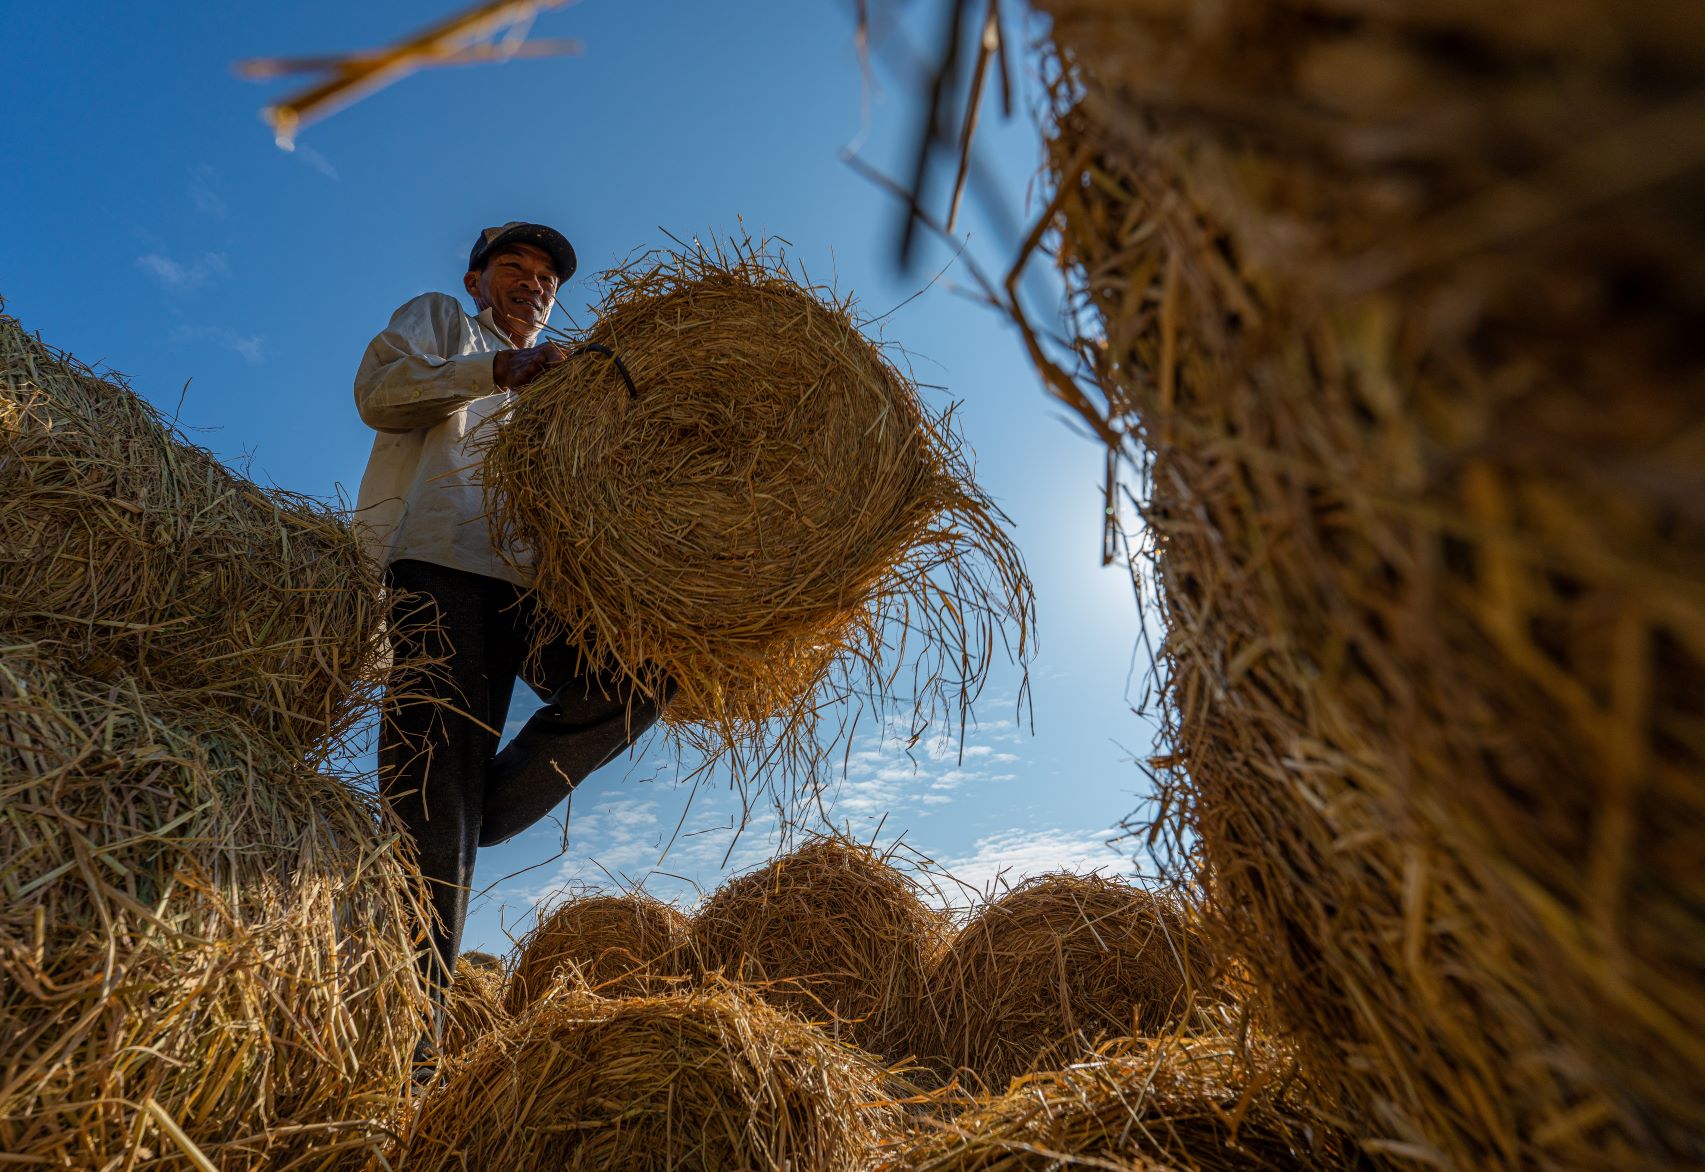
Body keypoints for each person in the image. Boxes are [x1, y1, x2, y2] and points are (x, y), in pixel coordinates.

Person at [352, 221, 666, 1042]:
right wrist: (497, 368)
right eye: (513, 267)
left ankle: (466, 814)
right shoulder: (443, 323)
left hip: (537, 590)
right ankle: (408, 1048)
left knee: (638, 682)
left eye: (546, 276)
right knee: (438, 777)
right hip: (437, 566)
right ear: (475, 280)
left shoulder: (572, 379)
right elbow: (378, 395)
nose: (533, 282)